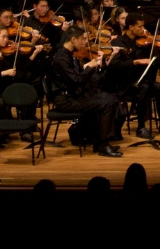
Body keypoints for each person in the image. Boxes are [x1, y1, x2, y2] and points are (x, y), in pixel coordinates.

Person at [49, 25, 123, 157]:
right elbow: (76, 80)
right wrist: (89, 67)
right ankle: (102, 145)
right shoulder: (61, 58)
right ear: (73, 39)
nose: (85, 42)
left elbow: (79, 77)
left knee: (111, 97)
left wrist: (97, 66)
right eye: (83, 39)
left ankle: (99, 142)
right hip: (65, 100)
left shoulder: (70, 56)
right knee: (107, 103)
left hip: (74, 96)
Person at [110, 12, 160, 138]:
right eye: (140, 27)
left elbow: (153, 63)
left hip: (142, 80)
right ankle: (141, 127)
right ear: (131, 27)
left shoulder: (143, 42)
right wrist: (135, 62)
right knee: (145, 88)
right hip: (125, 83)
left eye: (143, 26)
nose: (143, 29)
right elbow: (115, 65)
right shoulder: (118, 42)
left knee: (158, 86)